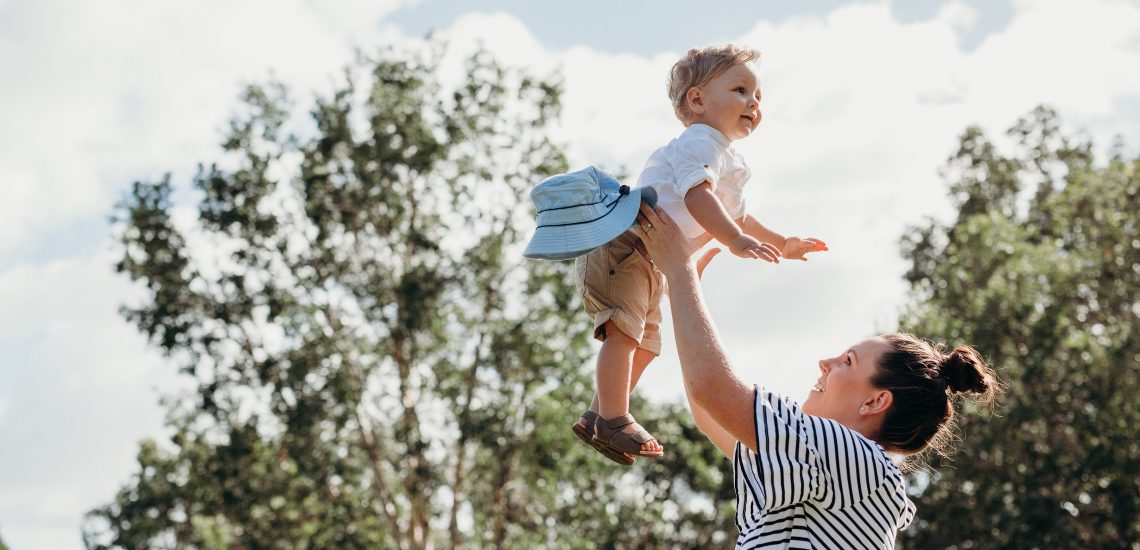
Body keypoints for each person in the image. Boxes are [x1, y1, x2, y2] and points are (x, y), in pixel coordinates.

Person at [631, 203, 1000, 548]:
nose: (825, 362)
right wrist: (683, 289)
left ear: (875, 401)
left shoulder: (858, 460)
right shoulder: (837, 470)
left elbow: (712, 389)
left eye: (848, 362)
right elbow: (710, 408)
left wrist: (680, 272)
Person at [570, 44, 828, 465]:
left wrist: (784, 243)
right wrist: (733, 240)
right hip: (626, 245)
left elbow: (741, 217)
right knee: (625, 334)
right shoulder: (699, 143)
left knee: (648, 345)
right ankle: (615, 416)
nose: (754, 103)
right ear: (697, 99)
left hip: (652, 259)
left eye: (758, 96)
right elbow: (697, 198)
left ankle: (599, 415)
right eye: (741, 90)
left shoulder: (727, 159)